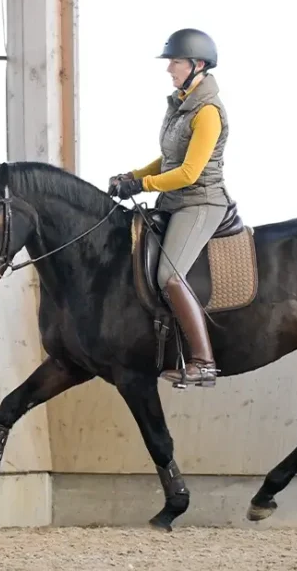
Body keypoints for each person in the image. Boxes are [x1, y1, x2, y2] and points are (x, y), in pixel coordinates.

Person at [109, 28, 233, 387]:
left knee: (169, 276)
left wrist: (142, 185)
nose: (169, 69)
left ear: (196, 64)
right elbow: (169, 159)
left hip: (200, 201)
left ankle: (204, 362)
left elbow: (189, 172)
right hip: (175, 199)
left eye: (175, 62)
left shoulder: (207, 112)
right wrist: (132, 174)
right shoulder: (182, 105)